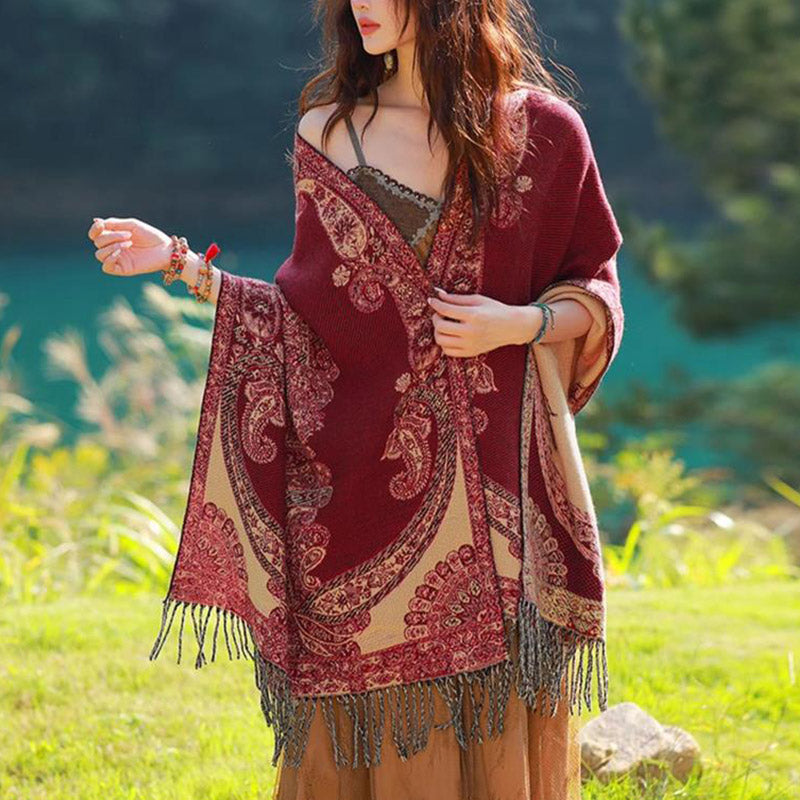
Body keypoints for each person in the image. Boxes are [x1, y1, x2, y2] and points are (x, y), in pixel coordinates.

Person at [87, 1, 624, 798]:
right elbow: (306, 321)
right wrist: (179, 263)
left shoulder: (542, 132)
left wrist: (519, 323)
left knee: (501, 721)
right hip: (372, 494)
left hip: (504, 494)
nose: (358, 4)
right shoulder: (332, 133)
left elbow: (596, 293)